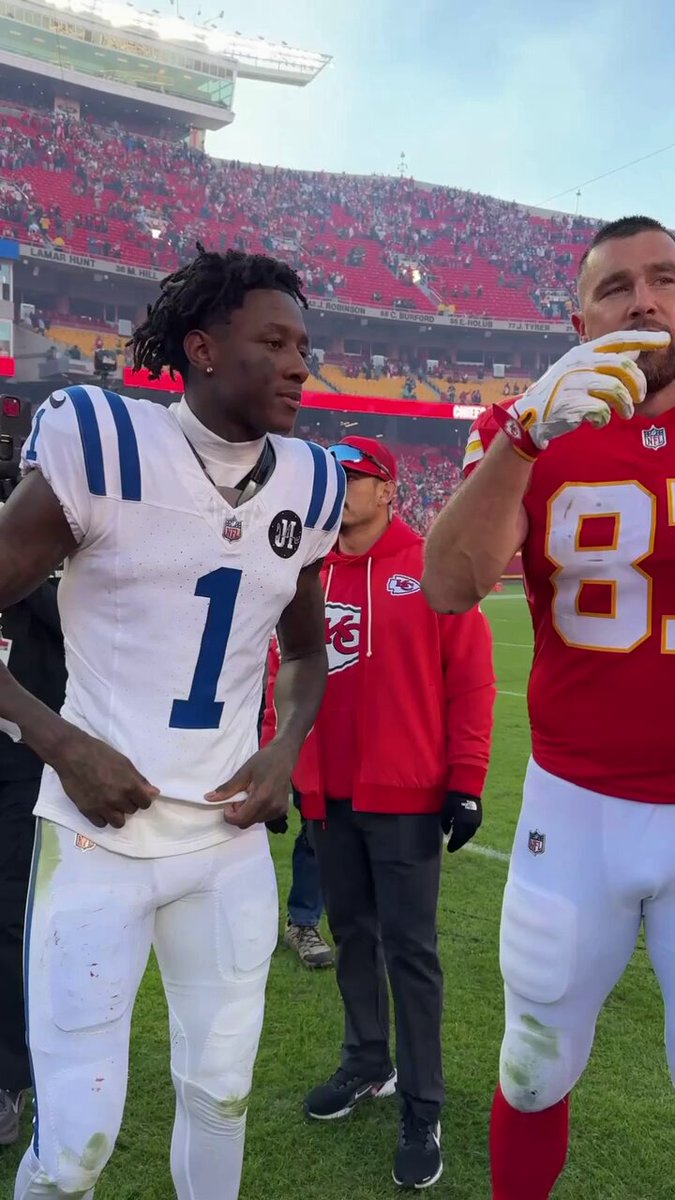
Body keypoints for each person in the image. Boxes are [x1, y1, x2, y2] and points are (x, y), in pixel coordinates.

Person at [2, 245, 345, 1200]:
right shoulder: (105, 444)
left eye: (304, 346)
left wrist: (283, 748)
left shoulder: (311, 482)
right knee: (73, 1151)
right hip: (98, 841)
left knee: (222, 1096)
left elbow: (306, 654)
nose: (299, 365)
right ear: (201, 347)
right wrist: (60, 741)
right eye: (273, 342)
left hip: (228, 844)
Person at [422, 214, 675, 1200]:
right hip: (576, 805)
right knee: (532, 1067)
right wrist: (525, 437)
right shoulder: (526, 427)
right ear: (580, 323)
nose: (645, 301)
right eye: (617, 287)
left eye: (665, 279)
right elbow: (448, 584)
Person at [264, 435, 495, 1190]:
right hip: (329, 796)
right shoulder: (306, 572)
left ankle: (423, 1105)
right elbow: (279, 677)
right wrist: (278, 766)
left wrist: (466, 780)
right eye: (331, 477)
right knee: (352, 936)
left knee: (411, 952)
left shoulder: (430, 566)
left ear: (389, 489)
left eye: (353, 477)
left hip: (405, 798)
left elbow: (471, 681)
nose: (339, 489)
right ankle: (367, 1062)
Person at [0, 477, 66, 1147]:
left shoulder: (44, 583)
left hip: (20, 767)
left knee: (9, 917)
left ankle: (8, 1074)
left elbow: (77, 643)